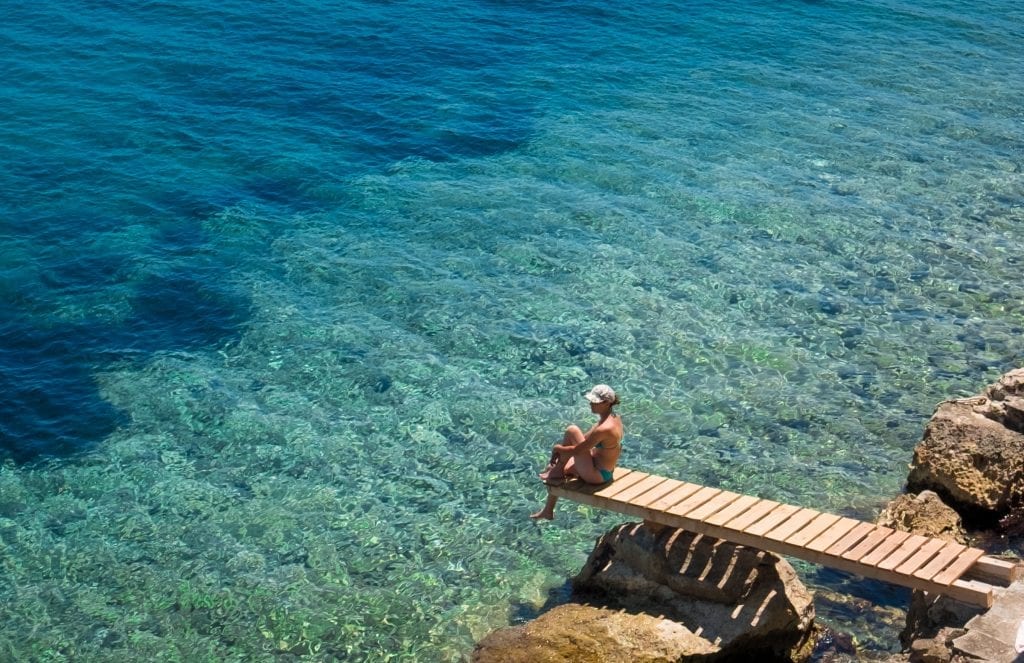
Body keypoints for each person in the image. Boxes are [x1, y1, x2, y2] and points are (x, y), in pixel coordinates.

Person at [530, 384, 623, 520]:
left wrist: (557, 449)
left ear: (607, 403)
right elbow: (585, 440)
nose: (591, 404)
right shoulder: (613, 418)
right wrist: (562, 456)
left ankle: (549, 505)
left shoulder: (604, 429)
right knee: (557, 468)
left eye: (594, 402)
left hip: (597, 475)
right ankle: (548, 510)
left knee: (572, 430)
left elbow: (578, 449)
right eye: (591, 401)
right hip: (601, 468)